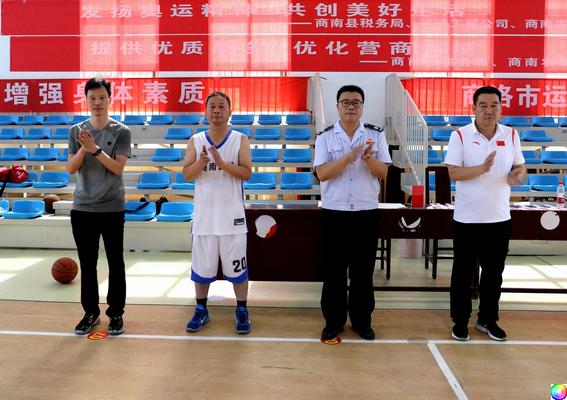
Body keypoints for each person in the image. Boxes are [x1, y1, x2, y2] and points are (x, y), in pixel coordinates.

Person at [444, 86, 525, 342]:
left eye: (494, 106)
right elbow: (453, 173)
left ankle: (488, 320)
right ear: (474, 108)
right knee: (463, 273)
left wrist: (517, 175)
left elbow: (520, 166)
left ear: (501, 108)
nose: (489, 111)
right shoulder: (460, 135)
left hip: (499, 217)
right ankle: (460, 321)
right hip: (467, 218)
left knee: (494, 273)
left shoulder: (511, 134)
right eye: (483, 106)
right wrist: (482, 168)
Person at [314, 85, 391, 341]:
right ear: (337, 106)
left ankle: (362, 322)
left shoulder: (375, 135)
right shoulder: (325, 137)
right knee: (333, 272)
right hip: (334, 213)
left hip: (365, 214)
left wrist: (368, 159)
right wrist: (349, 156)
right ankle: (333, 322)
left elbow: (383, 173)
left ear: (362, 107)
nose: (350, 106)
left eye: (356, 102)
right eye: (345, 102)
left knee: (363, 272)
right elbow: (322, 173)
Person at [182, 92, 253, 334]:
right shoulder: (196, 140)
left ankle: (241, 309)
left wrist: (222, 164)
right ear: (205, 112)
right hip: (205, 219)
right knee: (201, 271)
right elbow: (187, 174)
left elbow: (246, 173)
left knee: (238, 270)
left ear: (229, 111)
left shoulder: (240, 139)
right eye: (212, 106)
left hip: (233, 218)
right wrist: (201, 163)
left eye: (222, 106)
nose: (216, 110)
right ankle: (201, 309)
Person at [67, 77, 131, 335]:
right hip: (82, 208)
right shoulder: (76, 131)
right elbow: (71, 168)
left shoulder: (121, 131)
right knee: (87, 263)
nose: (97, 103)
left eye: (102, 97)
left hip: (112, 207)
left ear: (110, 99)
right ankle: (90, 313)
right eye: (92, 98)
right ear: (86, 100)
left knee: (116, 262)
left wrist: (94, 149)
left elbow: (117, 168)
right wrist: (84, 149)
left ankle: (116, 313)